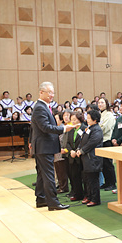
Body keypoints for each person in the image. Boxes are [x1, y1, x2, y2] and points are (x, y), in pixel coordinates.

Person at [29, 82, 75, 211]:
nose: (52, 95)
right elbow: (45, 127)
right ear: (41, 92)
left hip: (43, 146)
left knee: (42, 174)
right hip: (44, 147)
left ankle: (41, 199)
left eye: (53, 92)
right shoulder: (40, 107)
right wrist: (64, 128)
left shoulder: (44, 106)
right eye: (49, 92)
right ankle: (53, 202)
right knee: (49, 175)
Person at [77, 109, 104, 207]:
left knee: (93, 180)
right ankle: (89, 196)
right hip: (86, 158)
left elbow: (92, 143)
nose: (87, 119)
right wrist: (79, 149)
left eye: (89, 118)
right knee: (87, 179)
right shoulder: (89, 128)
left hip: (93, 158)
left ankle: (95, 199)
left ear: (95, 119)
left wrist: (82, 150)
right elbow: (82, 140)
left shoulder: (97, 129)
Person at [65, 110, 86, 203]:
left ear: (79, 119)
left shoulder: (84, 128)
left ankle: (86, 194)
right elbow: (67, 143)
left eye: (74, 119)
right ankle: (77, 194)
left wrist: (77, 150)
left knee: (84, 177)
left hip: (81, 156)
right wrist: (71, 151)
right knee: (74, 176)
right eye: (72, 119)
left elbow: (84, 142)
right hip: (72, 156)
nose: (73, 121)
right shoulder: (71, 129)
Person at [97, 97, 117, 192]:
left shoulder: (109, 115)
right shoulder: (100, 114)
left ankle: (112, 183)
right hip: (100, 141)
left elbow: (104, 128)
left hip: (107, 141)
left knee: (108, 163)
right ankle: (107, 182)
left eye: (102, 102)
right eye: (99, 102)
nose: (100, 104)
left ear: (106, 104)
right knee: (103, 164)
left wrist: (96, 131)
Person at [53, 109, 70, 194]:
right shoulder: (56, 129)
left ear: (61, 120)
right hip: (56, 152)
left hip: (62, 152)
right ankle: (60, 186)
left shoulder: (63, 128)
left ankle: (64, 187)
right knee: (58, 171)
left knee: (62, 171)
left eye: (56, 119)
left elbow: (63, 141)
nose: (55, 120)